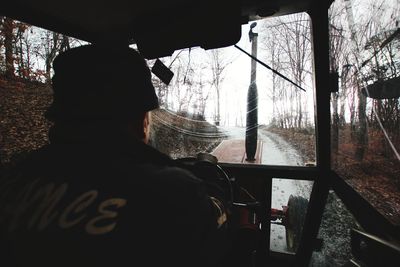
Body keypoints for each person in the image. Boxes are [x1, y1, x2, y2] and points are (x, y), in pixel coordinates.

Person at [0, 44, 229, 267]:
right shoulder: (175, 191)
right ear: (142, 122)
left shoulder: (13, 180)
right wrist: (208, 184)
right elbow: (214, 239)